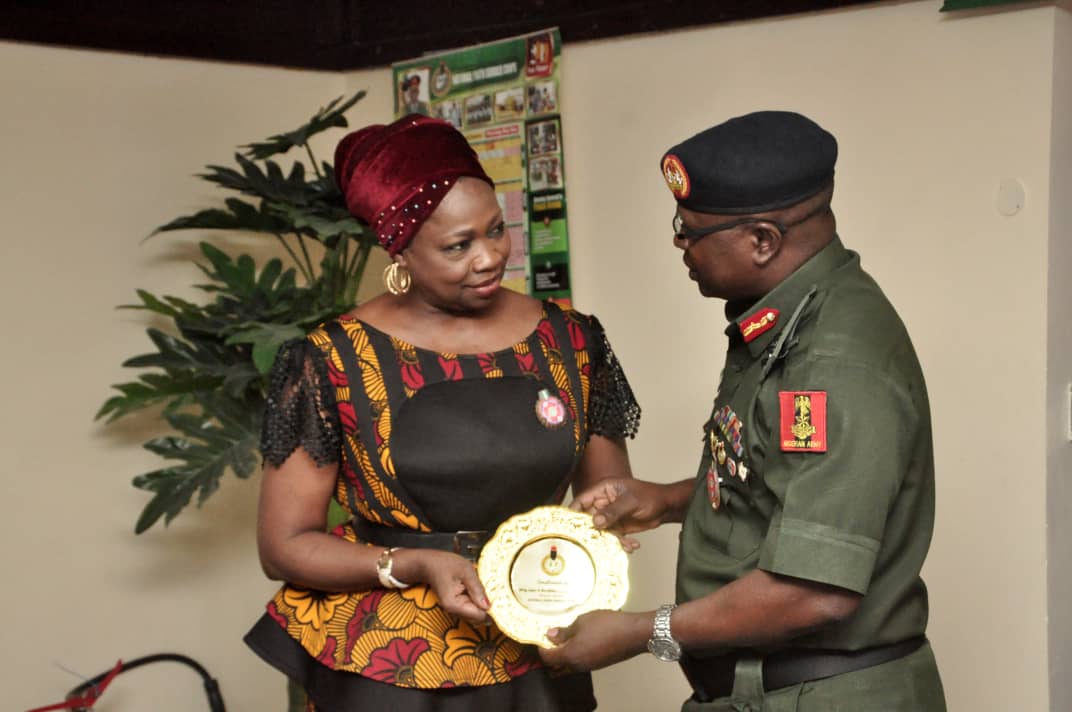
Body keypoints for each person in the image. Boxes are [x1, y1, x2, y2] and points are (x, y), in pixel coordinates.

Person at [540, 111, 946, 711]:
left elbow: (812, 594)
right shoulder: (788, 313)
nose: (679, 242)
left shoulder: (830, 362)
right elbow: (780, 483)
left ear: (763, 240)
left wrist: (639, 632)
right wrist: (666, 499)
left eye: (690, 229)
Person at [244, 114, 641, 712]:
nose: (489, 258)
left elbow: (611, 494)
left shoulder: (572, 340)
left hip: (538, 634)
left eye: (496, 231)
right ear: (399, 249)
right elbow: (284, 546)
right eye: (458, 246)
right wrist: (416, 563)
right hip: (388, 659)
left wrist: (598, 540)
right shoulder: (331, 358)